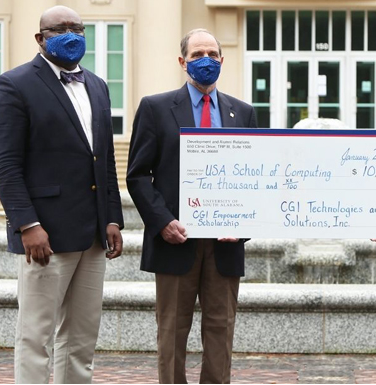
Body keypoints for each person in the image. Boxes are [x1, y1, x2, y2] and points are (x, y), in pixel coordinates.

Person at [0, 5, 124, 384]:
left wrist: (112, 217)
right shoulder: (14, 84)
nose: (70, 34)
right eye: (59, 29)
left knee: (81, 340)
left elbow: (104, 159)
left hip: (93, 234)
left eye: (77, 28)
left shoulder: (97, 85)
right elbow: (3, 164)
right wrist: (27, 224)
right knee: (36, 336)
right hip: (44, 235)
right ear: (40, 38)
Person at [126, 29, 257, 384]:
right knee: (171, 331)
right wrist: (163, 222)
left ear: (223, 61)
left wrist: (242, 224)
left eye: (213, 54)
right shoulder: (155, 108)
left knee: (220, 330)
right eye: (198, 53)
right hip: (175, 240)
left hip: (225, 245)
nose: (207, 60)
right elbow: (137, 176)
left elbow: (255, 179)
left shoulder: (242, 113)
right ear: (182, 62)